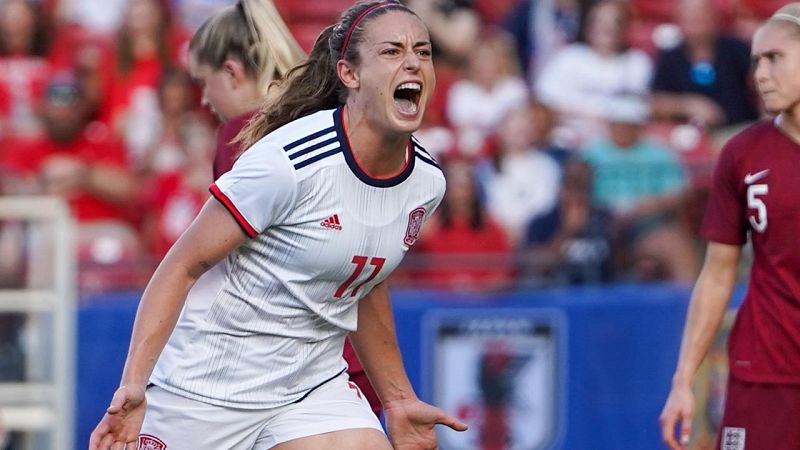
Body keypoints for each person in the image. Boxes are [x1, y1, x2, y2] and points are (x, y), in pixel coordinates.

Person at [89, 2, 468, 450]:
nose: (412, 62)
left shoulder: (426, 181)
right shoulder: (287, 161)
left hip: (310, 389)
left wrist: (398, 400)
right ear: (349, 74)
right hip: (205, 389)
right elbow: (181, 266)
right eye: (392, 51)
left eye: (423, 52)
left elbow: (363, 280)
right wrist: (134, 383)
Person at [186, 0, 382, 417]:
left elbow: (225, 265)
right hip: (355, 357)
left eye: (203, 83)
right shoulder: (333, 120)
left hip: (287, 370)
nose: (204, 99)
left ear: (232, 72)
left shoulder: (240, 135)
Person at [660, 4, 800, 449]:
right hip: (762, 375)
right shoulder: (742, 155)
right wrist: (683, 379)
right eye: (756, 60)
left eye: (774, 58)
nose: (761, 72)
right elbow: (718, 273)